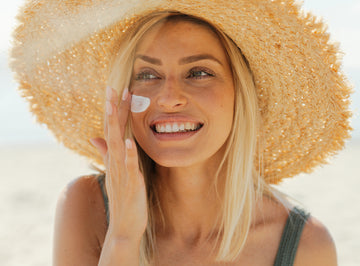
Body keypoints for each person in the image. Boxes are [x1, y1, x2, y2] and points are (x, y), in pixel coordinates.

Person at [10, 1, 352, 265]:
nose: (169, 97)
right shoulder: (87, 207)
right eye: (147, 75)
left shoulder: (304, 246)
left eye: (199, 72)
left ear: (241, 95)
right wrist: (123, 239)